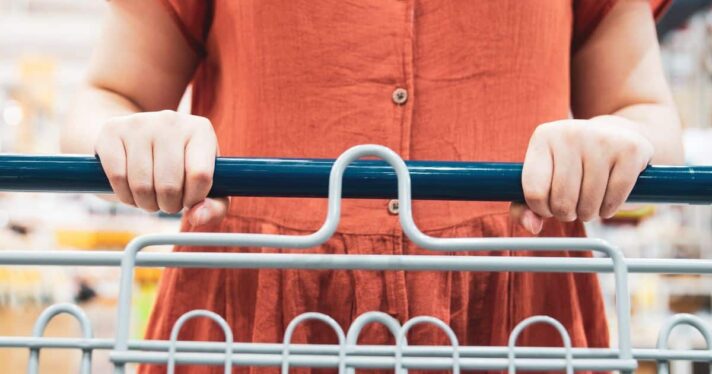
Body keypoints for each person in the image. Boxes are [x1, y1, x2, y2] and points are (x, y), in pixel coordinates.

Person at [62, 1, 683, 373]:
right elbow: (106, 97)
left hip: (519, 311)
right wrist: (134, 137)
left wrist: (617, 138)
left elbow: (648, 118)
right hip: (249, 305)